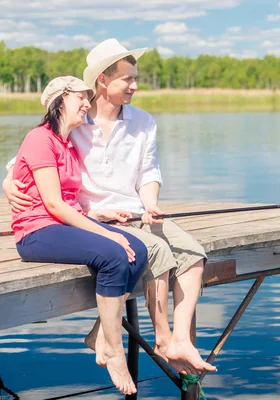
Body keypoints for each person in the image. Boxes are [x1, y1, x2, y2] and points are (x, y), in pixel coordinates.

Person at [2, 39, 216, 376]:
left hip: (135, 210)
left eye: (135, 78)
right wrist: (7, 183)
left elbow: (149, 169)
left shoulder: (143, 121)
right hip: (94, 218)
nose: (135, 86)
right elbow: (24, 160)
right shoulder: (74, 121)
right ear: (103, 79)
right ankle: (159, 338)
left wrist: (151, 204)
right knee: (154, 251)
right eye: (127, 79)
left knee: (192, 253)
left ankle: (181, 340)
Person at [11, 76, 148, 395]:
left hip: (60, 225)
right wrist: (107, 236)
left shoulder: (67, 143)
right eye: (80, 98)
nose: (88, 104)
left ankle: (100, 333)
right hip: (36, 232)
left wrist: (100, 218)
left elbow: (68, 202)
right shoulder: (39, 139)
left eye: (89, 98)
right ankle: (114, 349)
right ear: (59, 102)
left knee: (137, 250)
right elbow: (54, 204)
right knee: (114, 253)